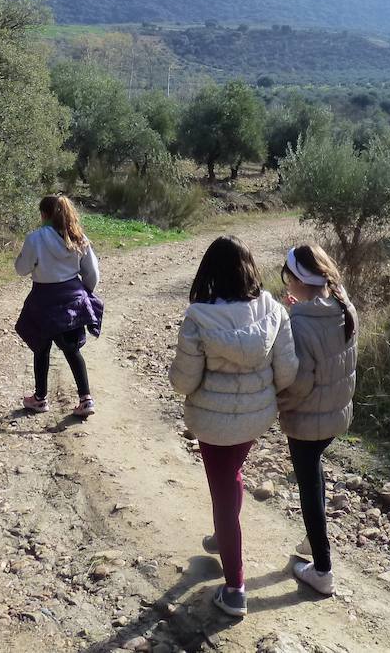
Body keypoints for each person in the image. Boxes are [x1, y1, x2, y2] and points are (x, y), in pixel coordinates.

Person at [168, 236, 298, 618]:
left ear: (209, 271)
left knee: (223, 494)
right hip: (255, 419)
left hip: (211, 422)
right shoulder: (273, 309)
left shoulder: (199, 317)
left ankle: (235, 589)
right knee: (232, 478)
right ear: (249, 269)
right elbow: (287, 372)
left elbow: (184, 382)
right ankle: (220, 538)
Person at [277, 244, 358, 596]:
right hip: (337, 413)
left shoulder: (300, 322)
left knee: (308, 487)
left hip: (309, 419)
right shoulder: (343, 304)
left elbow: (299, 383)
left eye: (288, 278)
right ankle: (313, 541)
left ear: (296, 279)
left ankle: (322, 570)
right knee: (315, 473)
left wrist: (278, 404)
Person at [14, 194, 103, 417]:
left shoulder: (35, 238)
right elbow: (92, 274)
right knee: (72, 350)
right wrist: (84, 292)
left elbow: (21, 269)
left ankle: (40, 398)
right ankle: (86, 399)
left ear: (44, 214)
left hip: (43, 299)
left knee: (41, 347)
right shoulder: (78, 237)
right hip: (71, 299)